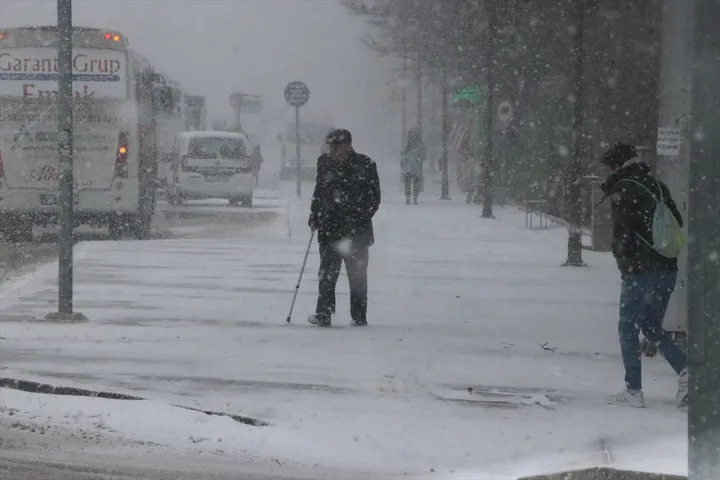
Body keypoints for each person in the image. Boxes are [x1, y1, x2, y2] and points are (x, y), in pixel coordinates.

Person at [599, 142, 688, 408]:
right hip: (667, 268)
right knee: (651, 326)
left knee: (628, 328)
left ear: (616, 166)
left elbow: (622, 234)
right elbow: (677, 223)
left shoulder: (623, 189)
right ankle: (686, 370)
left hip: (639, 270)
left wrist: (624, 263)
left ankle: (634, 391)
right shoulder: (659, 186)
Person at [307, 129, 381, 328]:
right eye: (330, 146)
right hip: (330, 228)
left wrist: (359, 217)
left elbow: (374, 198)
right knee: (327, 274)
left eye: (335, 146)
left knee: (357, 274)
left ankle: (359, 316)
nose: (332, 151)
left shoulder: (365, 165)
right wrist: (314, 215)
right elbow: (319, 192)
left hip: (357, 231)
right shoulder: (324, 163)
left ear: (347, 145)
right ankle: (324, 313)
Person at [401, 130, 426, 205]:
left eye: (414, 133)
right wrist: (404, 158)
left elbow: (423, 154)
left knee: (415, 184)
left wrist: (419, 159)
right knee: (407, 184)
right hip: (407, 167)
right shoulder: (406, 144)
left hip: (415, 167)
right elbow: (402, 154)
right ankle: (408, 199)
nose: (413, 135)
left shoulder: (420, 145)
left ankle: (415, 199)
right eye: (412, 133)